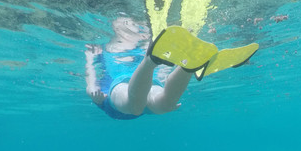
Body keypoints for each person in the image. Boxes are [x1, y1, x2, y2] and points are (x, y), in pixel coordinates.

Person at [85, 18, 258, 120]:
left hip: (118, 87)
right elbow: (90, 73)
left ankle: (151, 60)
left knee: (135, 108)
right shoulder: (98, 52)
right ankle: (189, 66)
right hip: (143, 84)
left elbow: (90, 76)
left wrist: (93, 91)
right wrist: (92, 90)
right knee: (165, 105)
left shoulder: (103, 52)